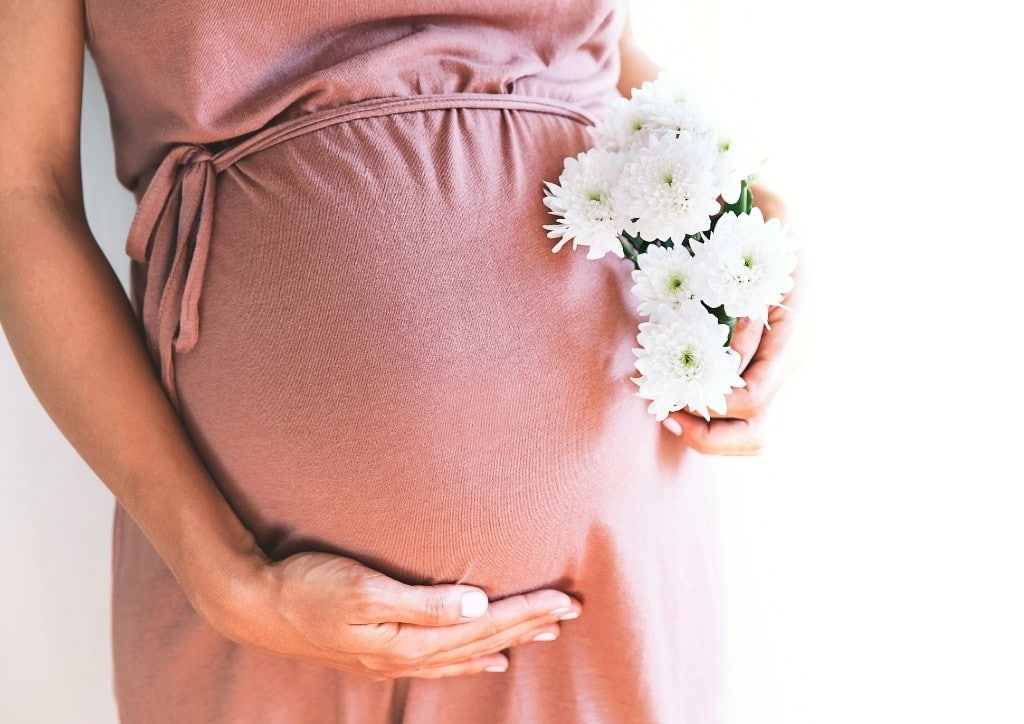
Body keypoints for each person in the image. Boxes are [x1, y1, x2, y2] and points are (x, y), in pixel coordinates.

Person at [0, 0, 797, 721]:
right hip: (254, 581)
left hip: (603, 560)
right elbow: (20, 194)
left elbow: (597, 54)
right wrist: (226, 579)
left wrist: (747, 214)